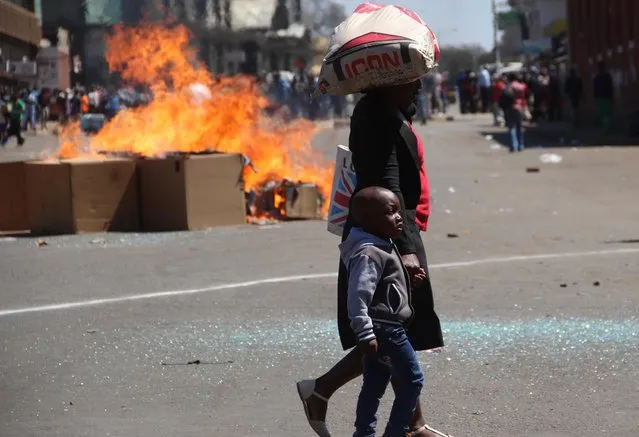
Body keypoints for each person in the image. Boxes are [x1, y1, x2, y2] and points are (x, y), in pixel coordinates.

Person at [296, 79, 447, 437]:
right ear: (391, 79)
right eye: (412, 81)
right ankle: (328, 392)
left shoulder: (388, 110)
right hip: (386, 234)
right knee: (391, 328)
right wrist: (406, 247)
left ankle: (408, 422)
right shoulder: (376, 114)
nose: (419, 87)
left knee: (396, 328)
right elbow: (388, 182)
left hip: (393, 228)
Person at [340, 186, 424, 437]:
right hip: (384, 328)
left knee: (375, 383)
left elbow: (384, 285)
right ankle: (397, 431)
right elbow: (358, 296)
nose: (399, 217)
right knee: (412, 379)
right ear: (369, 219)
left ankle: (363, 433)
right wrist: (365, 332)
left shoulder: (381, 243)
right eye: (390, 212)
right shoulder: (368, 252)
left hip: (385, 325)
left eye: (399, 210)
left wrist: (409, 280)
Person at [500, 73, 528, 153]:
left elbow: (503, 97)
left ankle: (513, 146)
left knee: (512, 127)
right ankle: (521, 145)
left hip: (511, 108)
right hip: (521, 107)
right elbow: (526, 94)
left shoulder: (508, 87)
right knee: (520, 127)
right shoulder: (522, 86)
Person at [593, 61, 614, 134]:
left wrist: (595, 97)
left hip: (601, 98)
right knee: (605, 114)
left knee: (603, 114)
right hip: (605, 97)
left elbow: (595, 88)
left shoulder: (597, 77)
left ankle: (605, 127)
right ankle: (606, 127)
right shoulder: (606, 76)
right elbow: (610, 87)